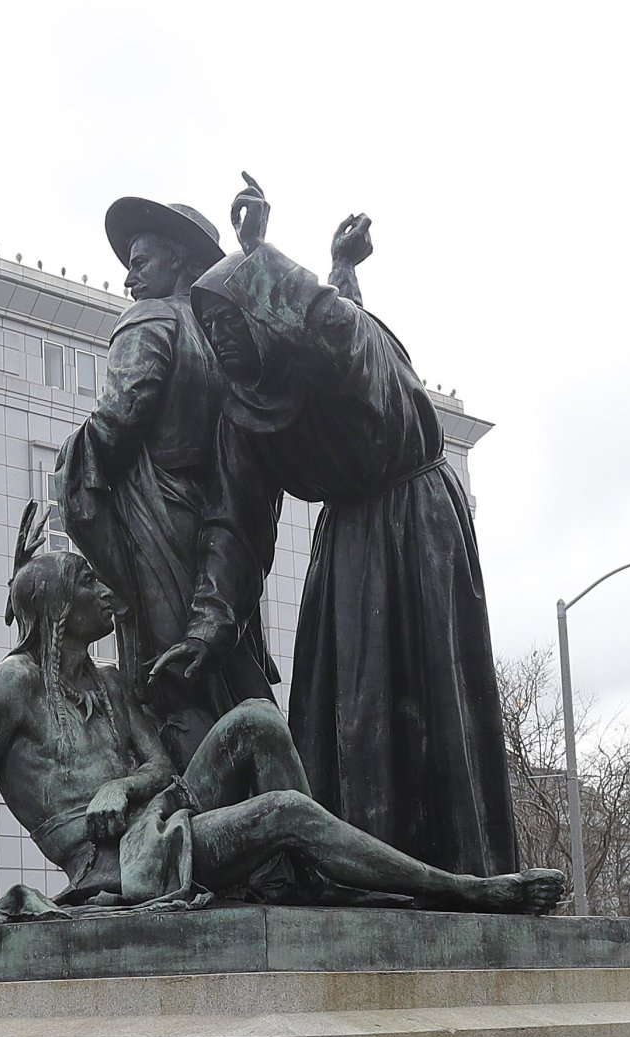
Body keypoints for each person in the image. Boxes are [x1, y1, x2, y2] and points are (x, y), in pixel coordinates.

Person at [0, 510, 565, 954]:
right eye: (88, 585)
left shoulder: (112, 686)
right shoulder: (2, 692)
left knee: (258, 719)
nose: (107, 594)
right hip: (117, 867)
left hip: (163, 817)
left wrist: (124, 782)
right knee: (286, 811)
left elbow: (161, 772)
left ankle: (308, 878)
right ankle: (465, 890)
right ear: (54, 609)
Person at [189, 175, 521, 879]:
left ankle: (452, 871)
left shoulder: (334, 346)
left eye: (228, 319)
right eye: (208, 329)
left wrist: (263, 255)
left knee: (424, 705)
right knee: (352, 717)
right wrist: (210, 619)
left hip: (416, 525)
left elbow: (333, 330)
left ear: (262, 309)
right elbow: (234, 520)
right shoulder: (242, 413)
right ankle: (355, 874)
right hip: (346, 547)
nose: (219, 339)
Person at [53, 197, 279, 764]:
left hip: (157, 524)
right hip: (214, 531)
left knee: (169, 683)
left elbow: (123, 413)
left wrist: (70, 463)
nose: (128, 278)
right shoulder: (219, 338)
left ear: (178, 262)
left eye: (140, 261)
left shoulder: (149, 319)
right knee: (220, 674)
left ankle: (203, 810)